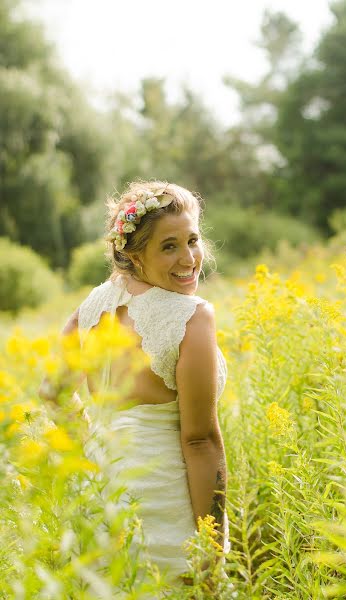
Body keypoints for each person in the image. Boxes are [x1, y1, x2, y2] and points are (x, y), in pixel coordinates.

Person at [39, 180, 231, 593]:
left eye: (192, 240)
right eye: (169, 246)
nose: (189, 258)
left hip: (100, 492)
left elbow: (51, 392)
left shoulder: (90, 306)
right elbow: (199, 442)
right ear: (133, 254)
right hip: (166, 499)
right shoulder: (192, 315)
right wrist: (211, 546)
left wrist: (96, 441)